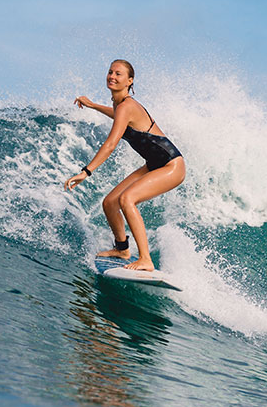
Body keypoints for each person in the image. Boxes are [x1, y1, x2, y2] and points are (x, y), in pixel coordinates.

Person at [64, 59, 186, 272]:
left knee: (127, 199)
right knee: (110, 202)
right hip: (154, 164)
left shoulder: (127, 106)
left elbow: (110, 144)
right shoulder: (120, 105)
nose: (112, 76)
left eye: (118, 74)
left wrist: (86, 172)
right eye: (110, 72)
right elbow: (117, 115)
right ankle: (122, 250)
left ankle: (146, 259)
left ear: (130, 81)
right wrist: (94, 106)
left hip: (171, 165)